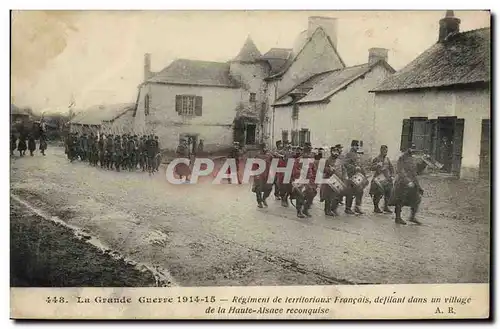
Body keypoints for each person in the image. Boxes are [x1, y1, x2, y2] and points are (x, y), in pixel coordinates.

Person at [388, 143, 426, 225]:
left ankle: (412, 217)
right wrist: (407, 181)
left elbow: (417, 171)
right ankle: (398, 218)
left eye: (413, 148)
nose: (412, 150)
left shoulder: (413, 159)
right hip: (402, 182)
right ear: (407, 148)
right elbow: (400, 171)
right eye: (411, 148)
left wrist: (424, 163)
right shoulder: (402, 158)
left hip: (412, 183)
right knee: (400, 200)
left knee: (417, 199)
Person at [291, 143, 317, 218]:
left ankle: (305, 209)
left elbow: (314, 171)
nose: (308, 154)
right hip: (300, 181)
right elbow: (295, 171)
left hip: (309, 181)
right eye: (306, 152)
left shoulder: (311, 161)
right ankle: (299, 211)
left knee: (311, 195)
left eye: (309, 152)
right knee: (300, 196)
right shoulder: (298, 160)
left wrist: (313, 180)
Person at [321, 146, 347, 216]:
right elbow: (323, 169)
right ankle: (327, 210)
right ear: (331, 152)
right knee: (328, 196)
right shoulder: (328, 160)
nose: (336, 153)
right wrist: (329, 169)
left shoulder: (339, 160)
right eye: (334, 152)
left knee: (338, 196)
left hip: (338, 180)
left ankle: (333, 209)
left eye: (337, 152)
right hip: (330, 179)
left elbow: (343, 169)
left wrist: (344, 177)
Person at [369, 145, 394, 214]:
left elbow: (391, 168)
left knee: (388, 192)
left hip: (387, 178)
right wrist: (376, 165)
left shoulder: (387, 159)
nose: (386, 152)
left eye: (386, 151)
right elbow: (371, 168)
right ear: (381, 150)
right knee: (378, 193)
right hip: (378, 178)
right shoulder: (376, 159)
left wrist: (392, 175)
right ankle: (376, 207)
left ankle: (386, 207)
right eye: (384, 151)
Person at [343, 140, 366, 215]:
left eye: (358, 146)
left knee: (360, 191)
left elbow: (360, 165)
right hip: (351, 176)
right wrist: (354, 168)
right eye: (356, 146)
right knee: (350, 192)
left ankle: (357, 207)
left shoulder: (357, 155)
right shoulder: (349, 154)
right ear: (352, 146)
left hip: (358, 176)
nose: (357, 147)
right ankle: (348, 208)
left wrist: (364, 174)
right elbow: (345, 164)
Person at [252, 143, 273, 208]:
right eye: (264, 147)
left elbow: (273, 160)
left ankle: (264, 198)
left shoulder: (269, 155)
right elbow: (254, 165)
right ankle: (259, 202)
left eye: (265, 147)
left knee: (269, 188)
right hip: (259, 174)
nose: (265, 148)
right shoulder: (257, 155)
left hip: (267, 174)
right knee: (258, 188)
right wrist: (256, 174)